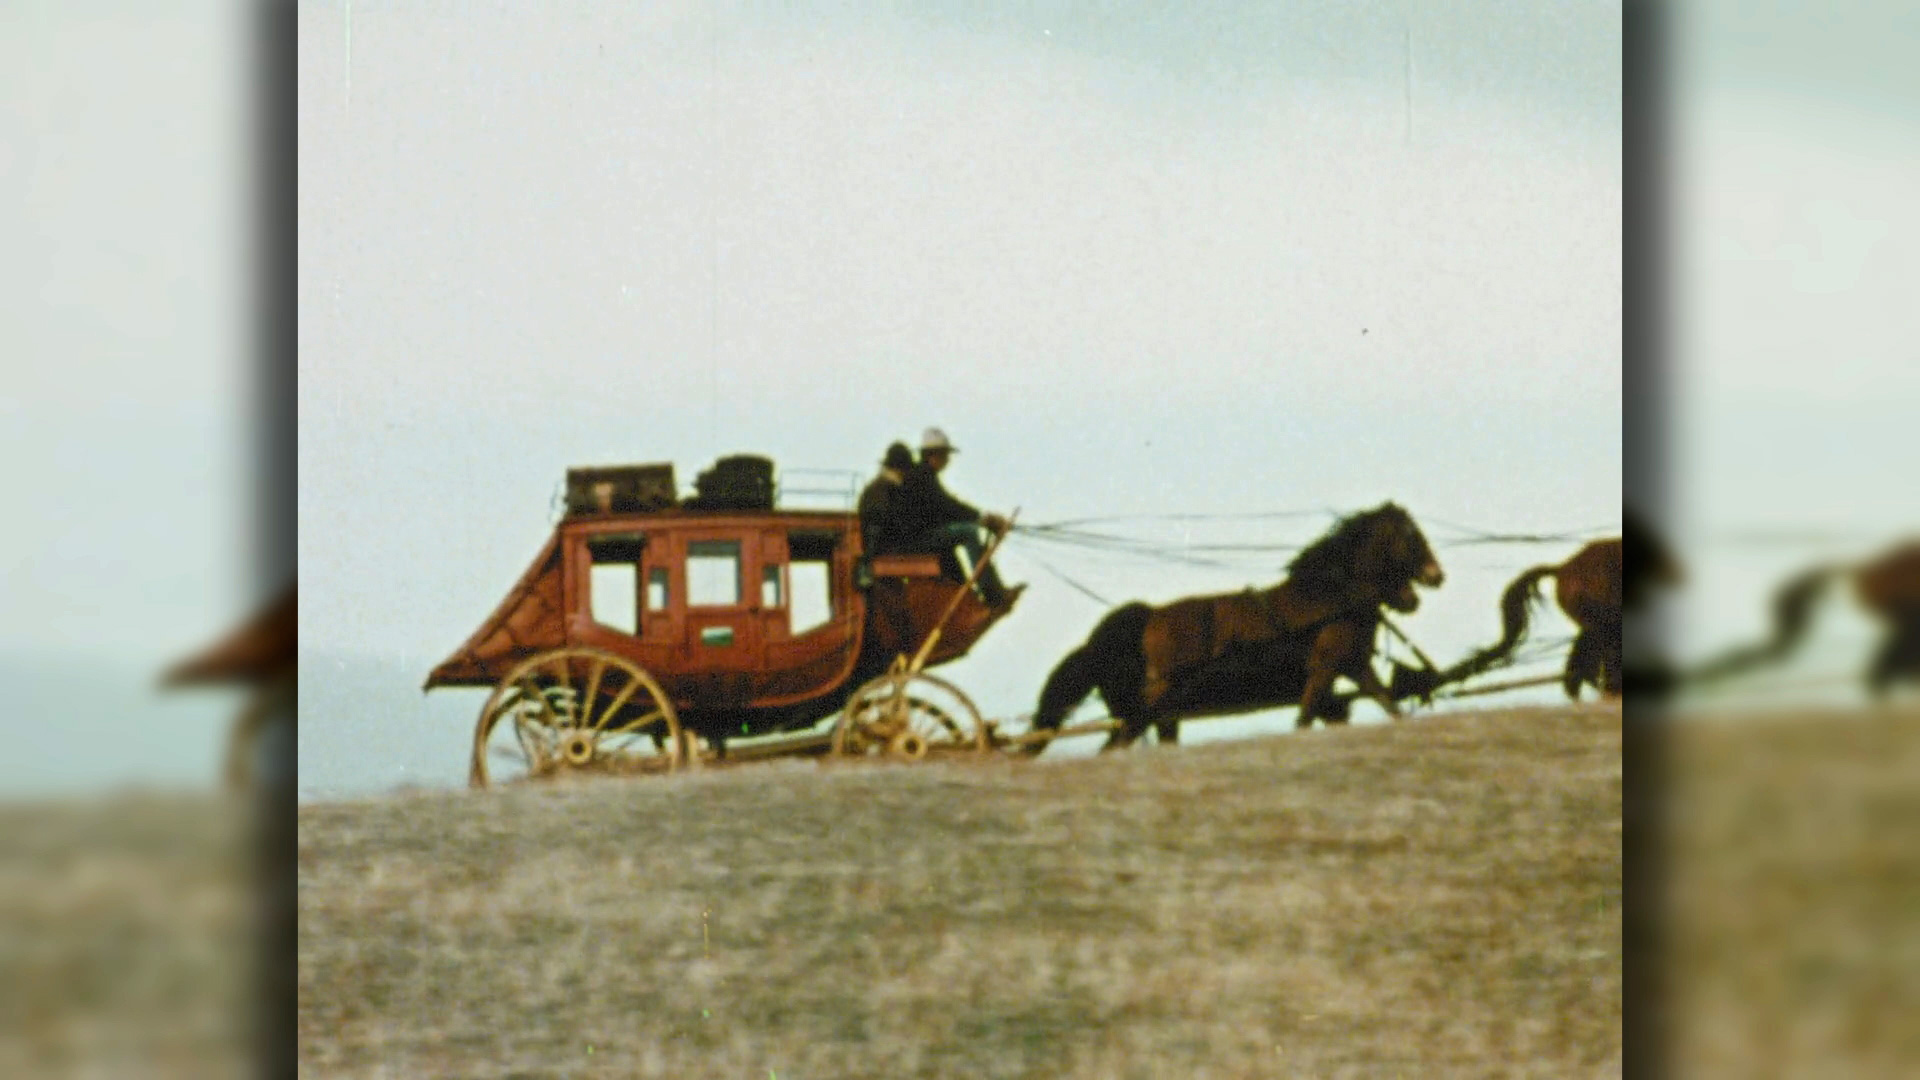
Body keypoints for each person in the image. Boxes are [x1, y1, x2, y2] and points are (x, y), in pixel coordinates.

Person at [894, 427, 1021, 609]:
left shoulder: (924, 476)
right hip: (917, 541)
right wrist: (981, 518)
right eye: (945, 455)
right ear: (934, 455)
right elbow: (947, 506)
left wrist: (979, 518)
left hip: (922, 537)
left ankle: (967, 595)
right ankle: (991, 592)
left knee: (956, 535)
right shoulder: (921, 477)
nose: (948, 460)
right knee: (968, 533)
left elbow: (946, 507)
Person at [857, 441, 915, 557]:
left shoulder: (875, 486)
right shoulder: (888, 488)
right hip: (884, 547)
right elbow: (888, 518)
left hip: (873, 545)